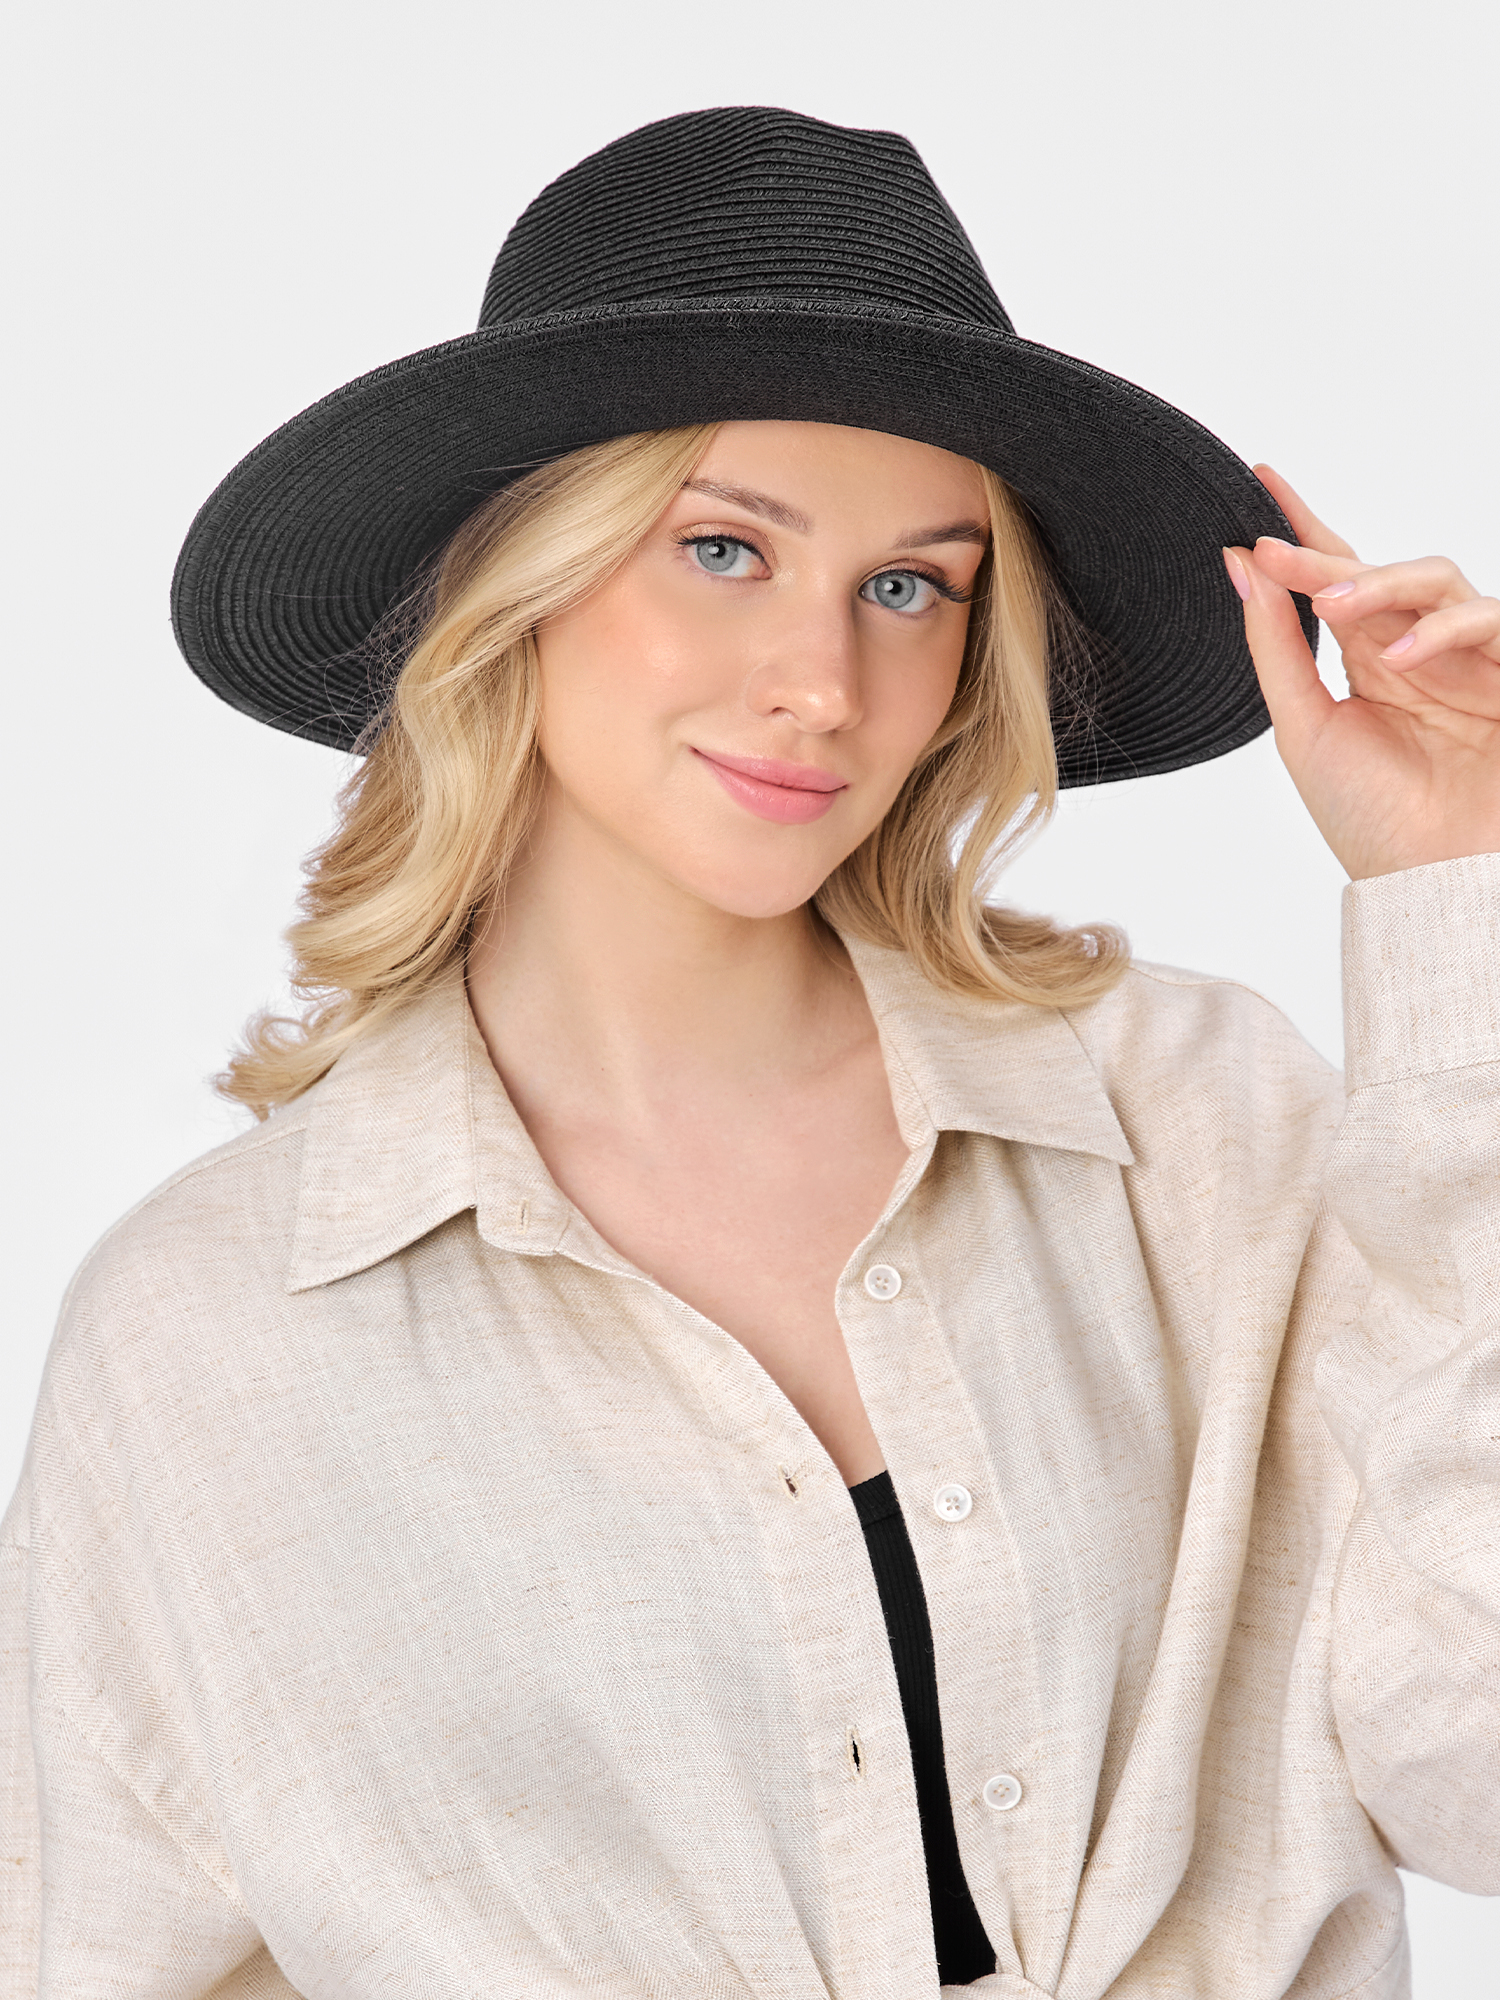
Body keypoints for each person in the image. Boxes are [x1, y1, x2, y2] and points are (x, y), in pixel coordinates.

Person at [4, 104, 1499, 2000]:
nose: (823, 683)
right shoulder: (213, 1331)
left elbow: (1478, 1773)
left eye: (912, 585)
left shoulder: (1194, 1121)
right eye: (723, 549)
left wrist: (1461, 903)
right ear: (514, 582)